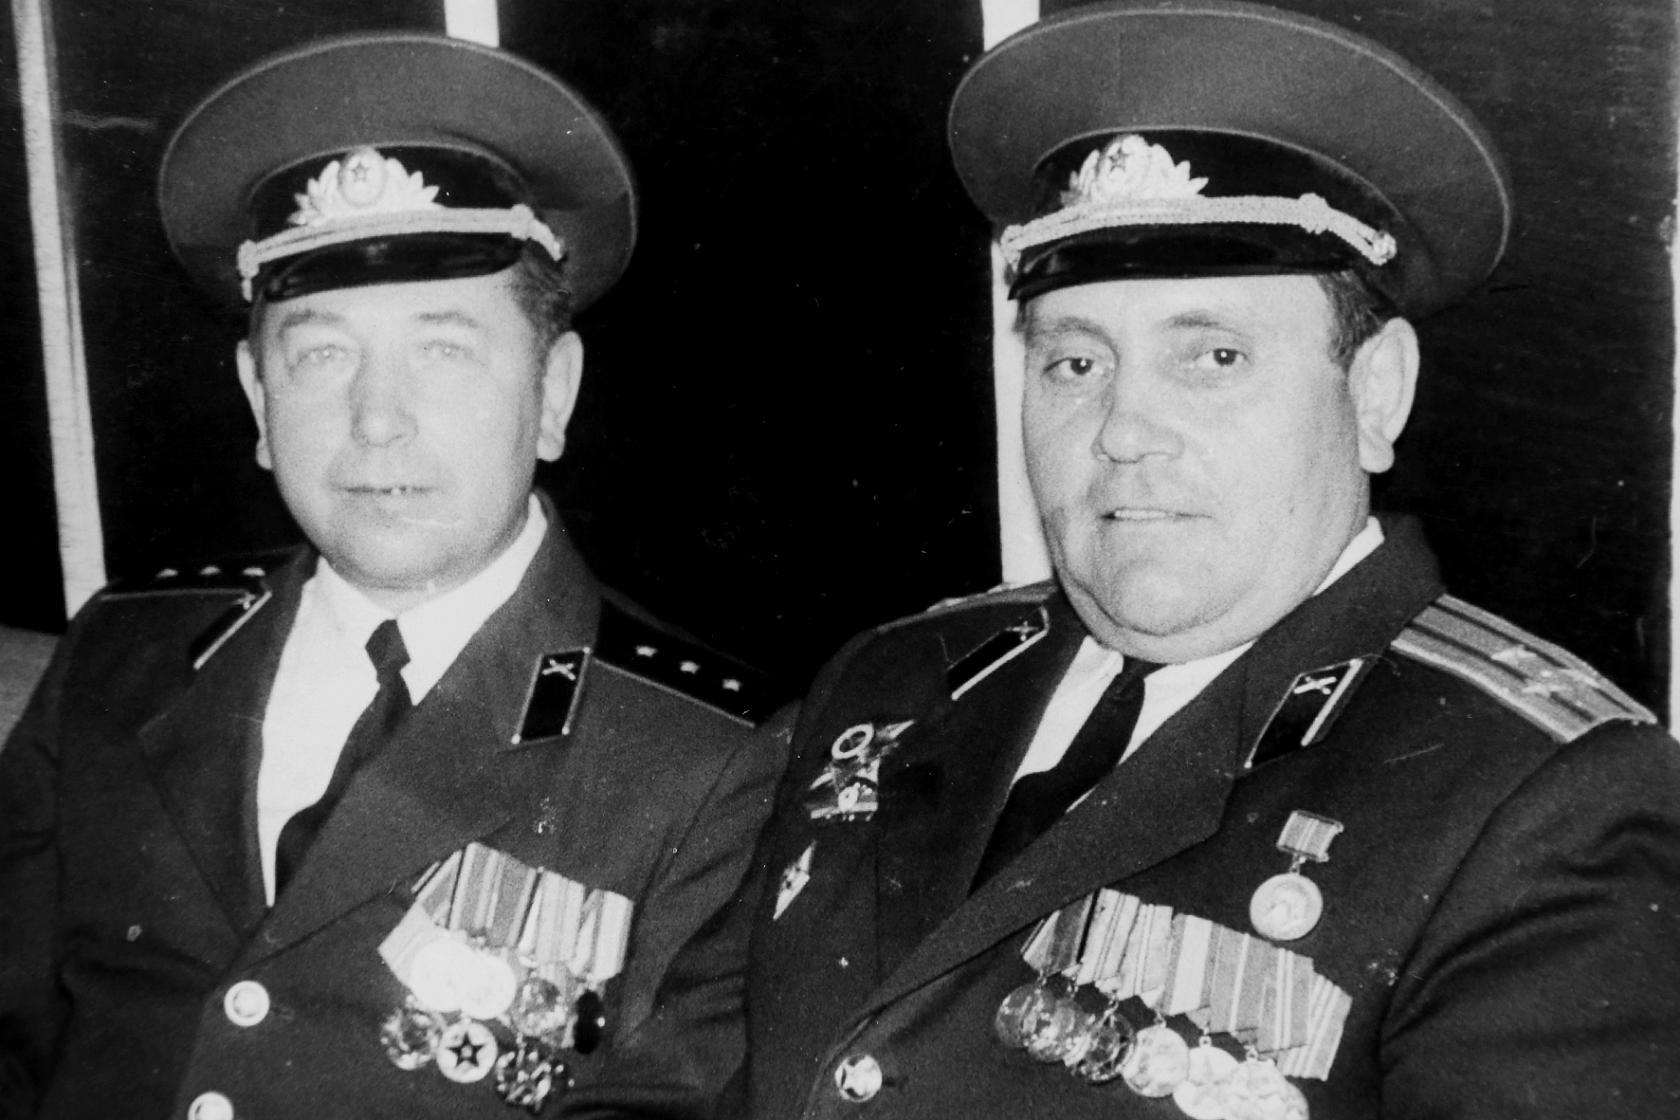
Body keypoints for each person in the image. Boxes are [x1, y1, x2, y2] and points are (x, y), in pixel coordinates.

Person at [724, 3, 1680, 1118]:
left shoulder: (1540, 804)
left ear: (1376, 394)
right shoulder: (889, 683)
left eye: (1214, 356)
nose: (1124, 430)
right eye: (1076, 363)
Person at [0, 33, 785, 1120]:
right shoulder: (126, 653)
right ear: (257, 397)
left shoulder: (706, 762)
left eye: (443, 350)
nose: (377, 421)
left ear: (553, 394)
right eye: (322, 354)